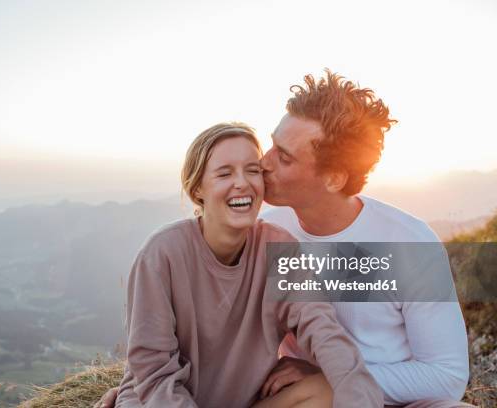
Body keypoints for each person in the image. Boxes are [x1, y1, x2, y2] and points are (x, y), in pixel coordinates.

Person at [95, 122, 383, 408]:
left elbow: (322, 328)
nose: (242, 182)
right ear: (197, 188)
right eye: (224, 173)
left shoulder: (279, 250)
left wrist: (359, 397)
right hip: (161, 403)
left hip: (240, 401)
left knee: (325, 391)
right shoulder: (161, 255)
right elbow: (154, 374)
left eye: (252, 170)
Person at [258, 70, 472, 408]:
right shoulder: (266, 232)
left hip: (393, 400)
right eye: (271, 145)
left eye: (284, 157)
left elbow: (446, 375)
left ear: (333, 178)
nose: (263, 163)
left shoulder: (411, 243)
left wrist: (336, 378)